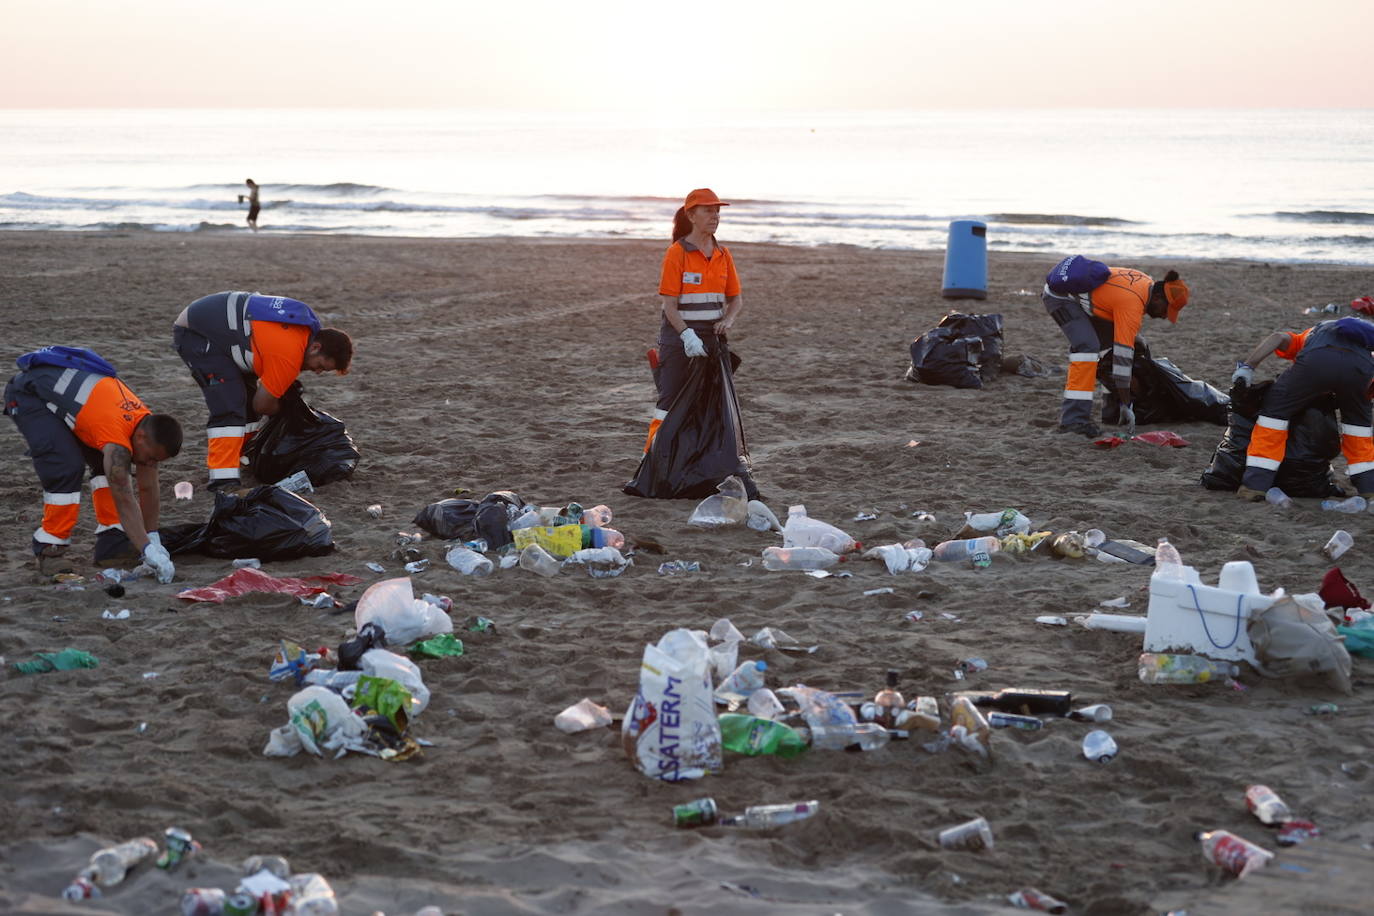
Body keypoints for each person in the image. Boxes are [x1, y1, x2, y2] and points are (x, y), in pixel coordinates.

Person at [624, 188, 758, 500]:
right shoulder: (677, 253)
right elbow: (670, 307)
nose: (714, 216)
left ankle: (697, 470)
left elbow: (736, 299)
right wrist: (687, 336)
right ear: (691, 215)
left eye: (717, 211)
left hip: (712, 340)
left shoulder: (723, 254)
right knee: (668, 405)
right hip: (678, 339)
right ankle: (652, 464)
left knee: (710, 408)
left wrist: (728, 320)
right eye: (708, 211)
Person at [3, 347, 181, 582]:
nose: (149, 464)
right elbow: (124, 496)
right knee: (65, 466)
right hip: (30, 395)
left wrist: (153, 538)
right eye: (151, 458)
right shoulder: (119, 441)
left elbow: (148, 487)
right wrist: (147, 550)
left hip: (72, 404)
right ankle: (50, 549)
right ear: (141, 438)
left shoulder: (146, 428)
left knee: (104, 464)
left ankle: (113, 541)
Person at [173, 291, 353, 490]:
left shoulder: (302, 333)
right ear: (315, 347)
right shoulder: (289, 357)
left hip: (216, 325)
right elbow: (263, 404)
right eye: (321, 366)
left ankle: (243, 456)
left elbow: (257, 403)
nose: (317, 372)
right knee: (230, 406)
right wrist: (285, 410)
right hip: (197, 333)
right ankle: (222, 479)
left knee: (247, 407)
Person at [1231, 300, 1374, 501]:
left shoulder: (1307, 336)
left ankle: (1255, 485)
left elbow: (1277, 337)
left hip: (1317, 361)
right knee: (1358, 429)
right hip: (1361, 369)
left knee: (1273, 415)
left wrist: (1248, 367)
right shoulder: (1365, 342)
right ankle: (1369, 489)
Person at [1042, 262, 1190, 436]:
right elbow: (1122, 364)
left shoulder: (1145, 284)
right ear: (1157, 298)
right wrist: (1126, 404)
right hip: (1061, 298)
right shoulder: (1133, 304)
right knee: (1087, 349)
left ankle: (1110, 412)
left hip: (1088, 301)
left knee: (1114, 348)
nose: (1165, 316)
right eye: (1167, 310)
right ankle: (1073, 420)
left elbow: (1118, 310)